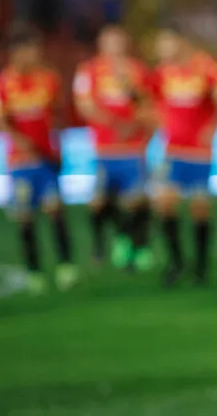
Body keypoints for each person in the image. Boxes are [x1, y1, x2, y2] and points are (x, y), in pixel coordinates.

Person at [0, 28, 78, 294]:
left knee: (54, 209)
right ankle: (34, 270)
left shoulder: (48, 79)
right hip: (20, 161)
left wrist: (58, 144)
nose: (33, 55)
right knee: (25, 216)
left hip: (46, 158)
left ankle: (65, 265)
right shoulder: (1, 85)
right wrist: (19, 139)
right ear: (16, 53)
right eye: (28, 49)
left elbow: (57, 114)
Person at [152, 26, 217, 286]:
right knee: (164, 204)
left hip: (199, 153)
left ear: (181, 42)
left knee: (200, 209)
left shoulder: (207, 67)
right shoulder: (162, 72)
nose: (161, 49)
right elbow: (150, 101)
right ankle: (176, 261)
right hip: (172, 151)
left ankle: (200, 266)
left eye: (165, 43)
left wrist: (214, 124)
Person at [73, 25, 154, 271]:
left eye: (118, 42)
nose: (114, 47)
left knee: (137, 201)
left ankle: (138, 246)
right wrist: (113, 123)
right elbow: (84, 105)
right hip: (104, 148)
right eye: (109, 42)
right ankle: (111, 241)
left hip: (133, 147)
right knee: (99, 202)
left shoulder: (138, 70)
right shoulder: (88, 71)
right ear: (101, 45)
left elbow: (148, 104)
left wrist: (130, 91)